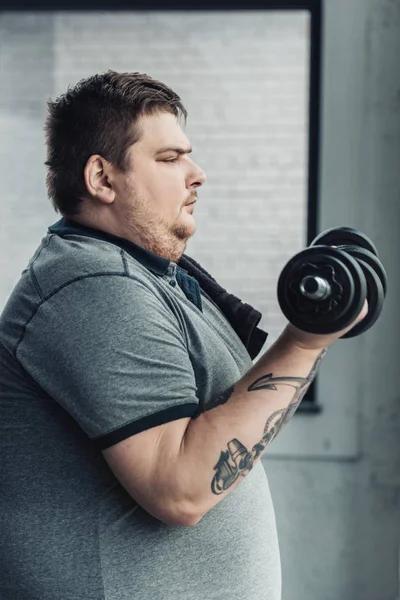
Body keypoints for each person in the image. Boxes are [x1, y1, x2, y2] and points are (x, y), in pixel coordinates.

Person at [0, 70, 367, 600]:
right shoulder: (93, 288)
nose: (197, 174)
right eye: (169, 159)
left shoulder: (153, 275)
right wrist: (306, 341)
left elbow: (230, 417)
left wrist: (312, 335)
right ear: (102, 178)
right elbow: (179, 489)